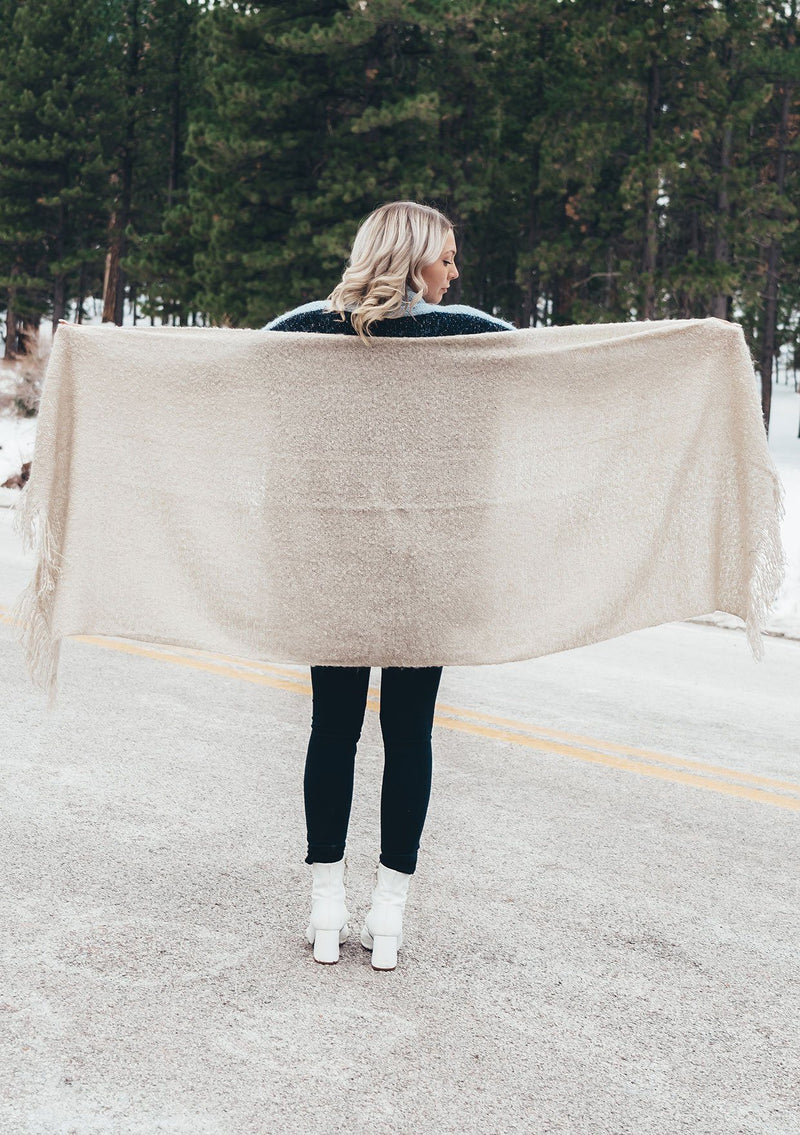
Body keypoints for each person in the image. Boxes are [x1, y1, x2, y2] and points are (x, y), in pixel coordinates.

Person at [265, 200, 514, 970]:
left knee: (332, 731)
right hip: (424, 569)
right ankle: (389, 920)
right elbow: (565, 369)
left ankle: (324, 911)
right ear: (412, 259)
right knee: (410, 736)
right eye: (446, 255)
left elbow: (231, 390)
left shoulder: (303, 328)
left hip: (334, 562)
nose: (455, 269)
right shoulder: (468, 331)